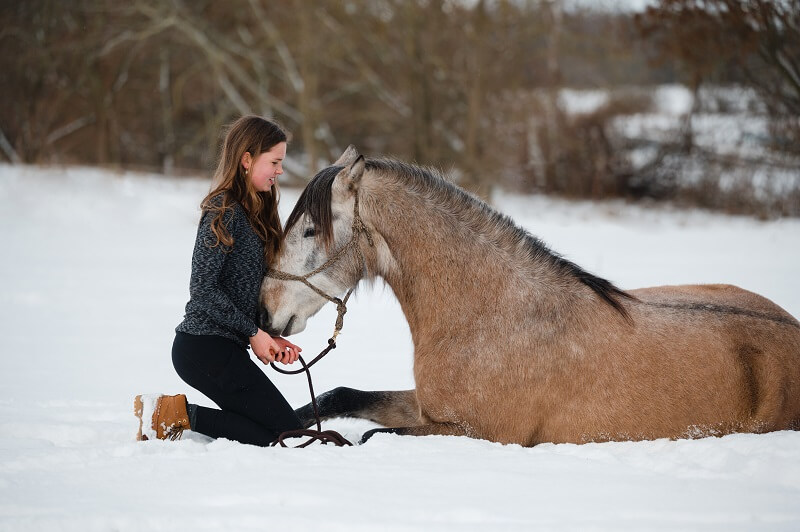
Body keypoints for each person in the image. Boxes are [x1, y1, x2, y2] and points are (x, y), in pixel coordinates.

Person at [134, 115, 304, 446]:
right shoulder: (223, 209)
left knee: (281, 433)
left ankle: (174, 415)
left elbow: (242, 293)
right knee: (288, 435)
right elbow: (202, 289)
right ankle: (168, 414)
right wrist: (254, 334)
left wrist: (268, 336)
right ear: (246, 159)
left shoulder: (255, 212)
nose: (280, 171)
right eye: (275, 162)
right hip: (203, 347)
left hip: (226, 348)